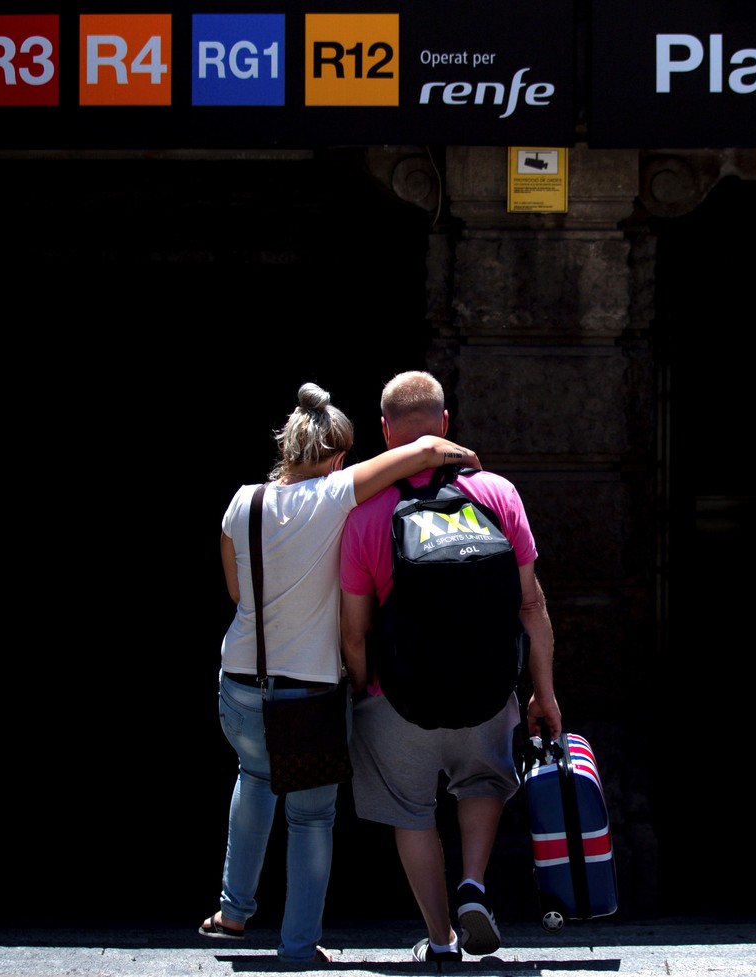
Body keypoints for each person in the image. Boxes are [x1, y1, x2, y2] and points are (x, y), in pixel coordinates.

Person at [200, 381, 481, 964]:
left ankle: (233, 910)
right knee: (310, 816)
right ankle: (299, 943)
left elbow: (235, 591)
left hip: (240, 680)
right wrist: (462, 459)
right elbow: (422, 452)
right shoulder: (333, 495)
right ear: (334, 457)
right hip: (308, 691)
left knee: (253, 779)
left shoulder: (242, 501)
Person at [339, 370, 561, 965]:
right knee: (483, 783)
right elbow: (531, 603)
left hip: (398, 696)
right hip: (488, 690)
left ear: (387, 434)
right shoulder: (498, 494)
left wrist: (363, 690)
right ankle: (473, 887)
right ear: (444, 425)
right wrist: (543, 693)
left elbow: (355, 630)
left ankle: (440, 940)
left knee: (411, 812)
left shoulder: (364, 515)